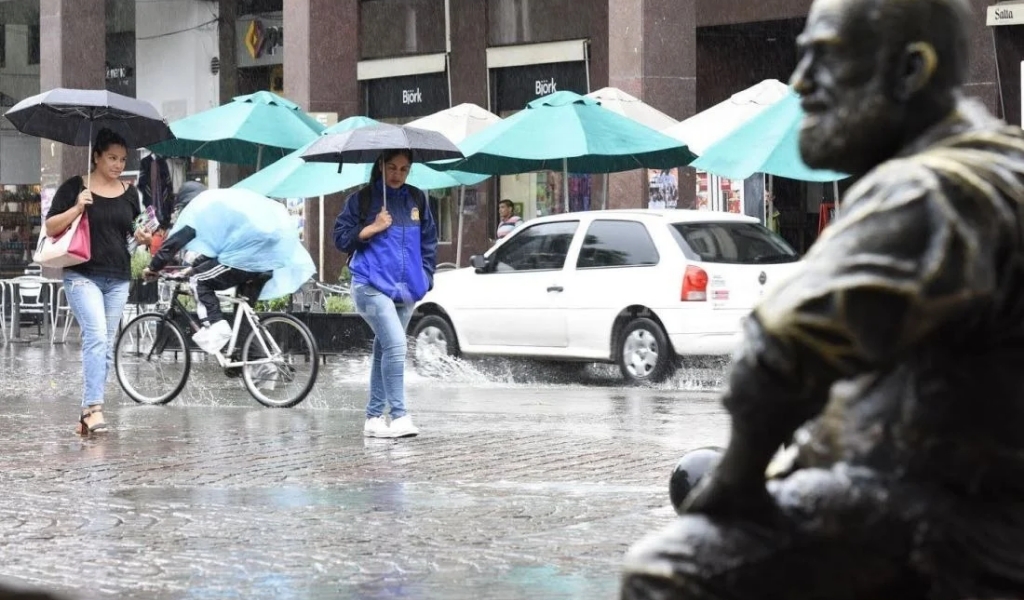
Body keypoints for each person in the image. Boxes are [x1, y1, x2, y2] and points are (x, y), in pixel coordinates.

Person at [621, 0, 1024, 598]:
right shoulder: (999, 164)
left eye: (826, 58)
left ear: (909, 72)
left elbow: (778, 349)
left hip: (958, 526)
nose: (800, 81)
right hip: (979, 500)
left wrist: (738, 480)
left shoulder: (929, 188)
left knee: (671, 568)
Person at [44, 128, 151, 435]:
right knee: (97, 336)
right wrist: (77, 207)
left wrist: (142, 238)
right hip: (82, 274)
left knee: (105, 346)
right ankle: (95, 409)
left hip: (118, 277)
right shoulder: (76, 186)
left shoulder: (130, 193)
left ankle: (87, 412)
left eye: (122, 159)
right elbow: (51, 227)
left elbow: (133, 233)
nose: (118, 164)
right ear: (97, 156)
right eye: (112, 158)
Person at [334, 149, 438, 439]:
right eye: (391, 167)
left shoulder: (418, 199)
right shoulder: (362, 199)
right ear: (380, 166)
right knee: (396, 346)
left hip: (407, 288)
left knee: (385, 350)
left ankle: (373, 417)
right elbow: (341, 238)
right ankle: (400, 415)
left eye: (404, 169)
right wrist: (373, 227)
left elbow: (429, 240)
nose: (397, 174)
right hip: (370, 284)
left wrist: (427, 276)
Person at [143, 187, 316, 355]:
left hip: (244, 260)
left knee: (198, 280)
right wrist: (194, 266)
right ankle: (261, 362)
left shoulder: (199, 210)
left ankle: (217, 326)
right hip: (266, 262)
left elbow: (175, 242)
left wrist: (153, 267)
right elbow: (222, 250)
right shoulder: (222, 209)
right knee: (244, 313)